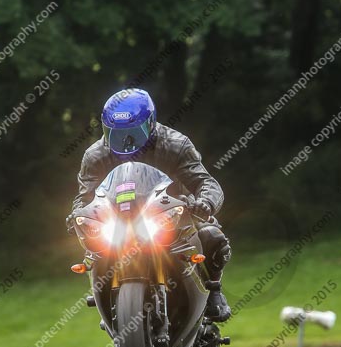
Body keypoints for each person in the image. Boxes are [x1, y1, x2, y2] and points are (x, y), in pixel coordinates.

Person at [67, 88, 231, 321]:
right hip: (118, 220)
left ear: (151, 124)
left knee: (212, 235)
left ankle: (214, 290)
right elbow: (84, 197)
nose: (125, 141)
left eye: (133, 133)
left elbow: (206, 183)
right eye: (115, 134)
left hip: (173, 215)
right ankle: (105, 297)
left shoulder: (176, 144)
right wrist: (77, 214)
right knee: (93, 246)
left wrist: (205, 203)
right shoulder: (95, 155)